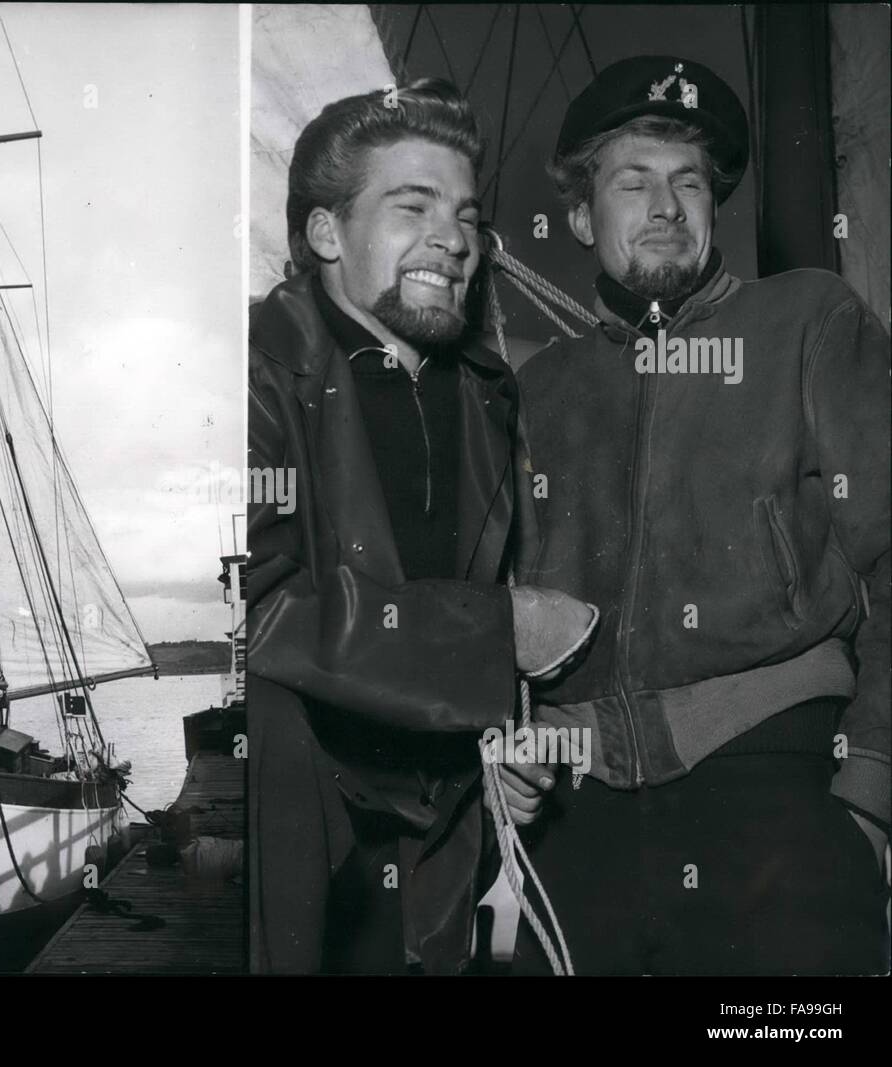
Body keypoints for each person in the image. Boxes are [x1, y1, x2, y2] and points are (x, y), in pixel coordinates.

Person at [511, 55, 890, 974]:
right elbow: (502, 602)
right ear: (578, 215)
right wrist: (510, 741)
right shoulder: (536, 389)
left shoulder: (808, 320)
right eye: (632, 182)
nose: (666, 208)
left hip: (776, 790)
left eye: (689, 183)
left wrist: (872, 790)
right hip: (576, 818)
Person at [246, 78, 596, 974]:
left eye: (468, 216)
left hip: (440, 865)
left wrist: (515, 752)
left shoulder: (486, 398)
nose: (454, 238)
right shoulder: (247, 375)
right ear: (326, 233)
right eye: (414, 206)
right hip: (308, 846)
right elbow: (259, 609)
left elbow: (491, 601)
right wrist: (498, 635)